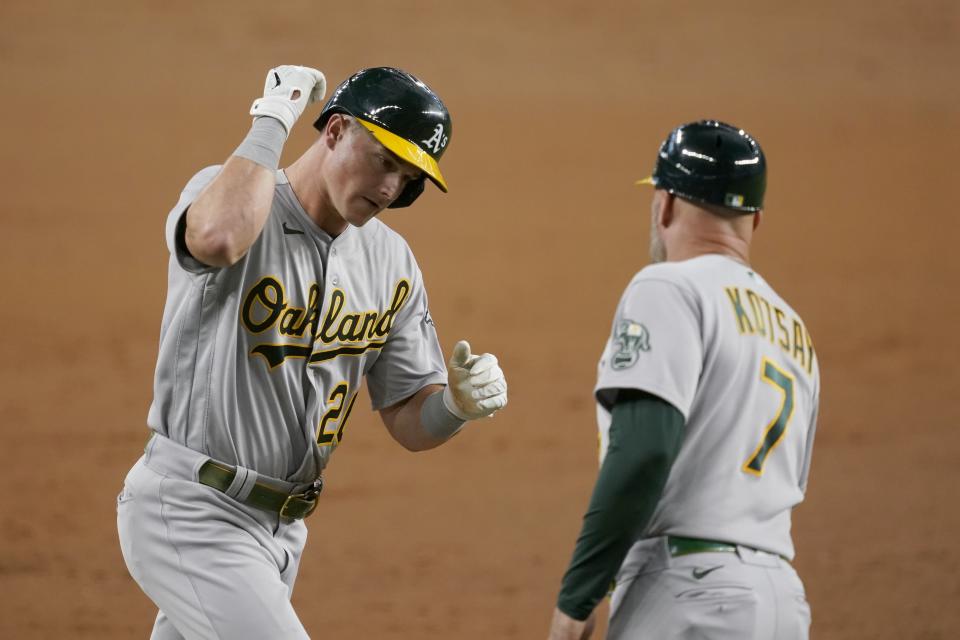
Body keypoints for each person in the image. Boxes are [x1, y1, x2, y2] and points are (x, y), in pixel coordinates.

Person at [116, 64, 508, 639]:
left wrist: (455, 406)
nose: (390, 188)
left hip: (282, 533)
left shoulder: (390, 261)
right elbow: (217, 239)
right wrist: (273, 116)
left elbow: (407, 416)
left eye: (409, 178)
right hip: (194, 511)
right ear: (334, 131)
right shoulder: (230, 197)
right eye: (384, 161)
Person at [547, 120, 819, 639]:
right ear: (754, 220)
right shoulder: (793, 330)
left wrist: (578, 597)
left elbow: (644, 450)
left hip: (692, 597)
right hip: (782, 601)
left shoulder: (667, 288)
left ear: (666, 205)